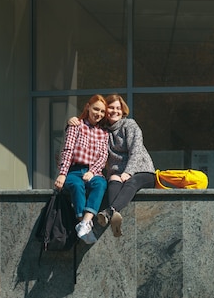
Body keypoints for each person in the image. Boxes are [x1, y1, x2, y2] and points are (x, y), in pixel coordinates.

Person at [68, 94, 156, 237]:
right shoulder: (103, 131)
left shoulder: (130, 125)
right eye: (111, 108)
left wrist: (129, 172)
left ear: (123, 111)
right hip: (118, 174)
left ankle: (109, 212)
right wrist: (73, 120)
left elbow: (136, 150)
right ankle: (114, 217)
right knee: (113, 179)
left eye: (118, 108)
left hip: (142, 171)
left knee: (131, 182)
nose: (115, 111)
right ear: (105, 111)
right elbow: (87, 131)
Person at [55, 94, 109, 245]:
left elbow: (103, 156)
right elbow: (68, 150)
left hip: (93, 171)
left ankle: (85, 223)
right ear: (88, 107)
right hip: (74, 170)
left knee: (101, 184)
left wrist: (92, 171)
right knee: (76, 186)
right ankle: (82, 224)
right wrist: (62, 174)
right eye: (96, 109)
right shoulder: (76, 125)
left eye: (102, 112)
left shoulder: (104, 133)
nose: (98, 114)